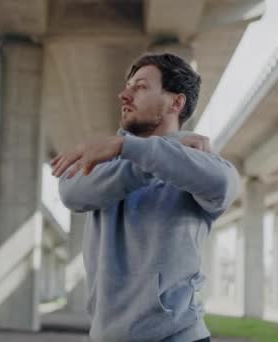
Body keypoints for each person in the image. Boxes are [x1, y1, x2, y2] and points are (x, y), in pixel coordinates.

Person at [52, 53, 240, 342]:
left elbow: (224, 184)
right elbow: (72, 192)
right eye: (128, 86)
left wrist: (135, 149)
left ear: (176, 103)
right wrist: (137, 150)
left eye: (139, 86)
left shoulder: (195, 161)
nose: (124, 95)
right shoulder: (107, 158)